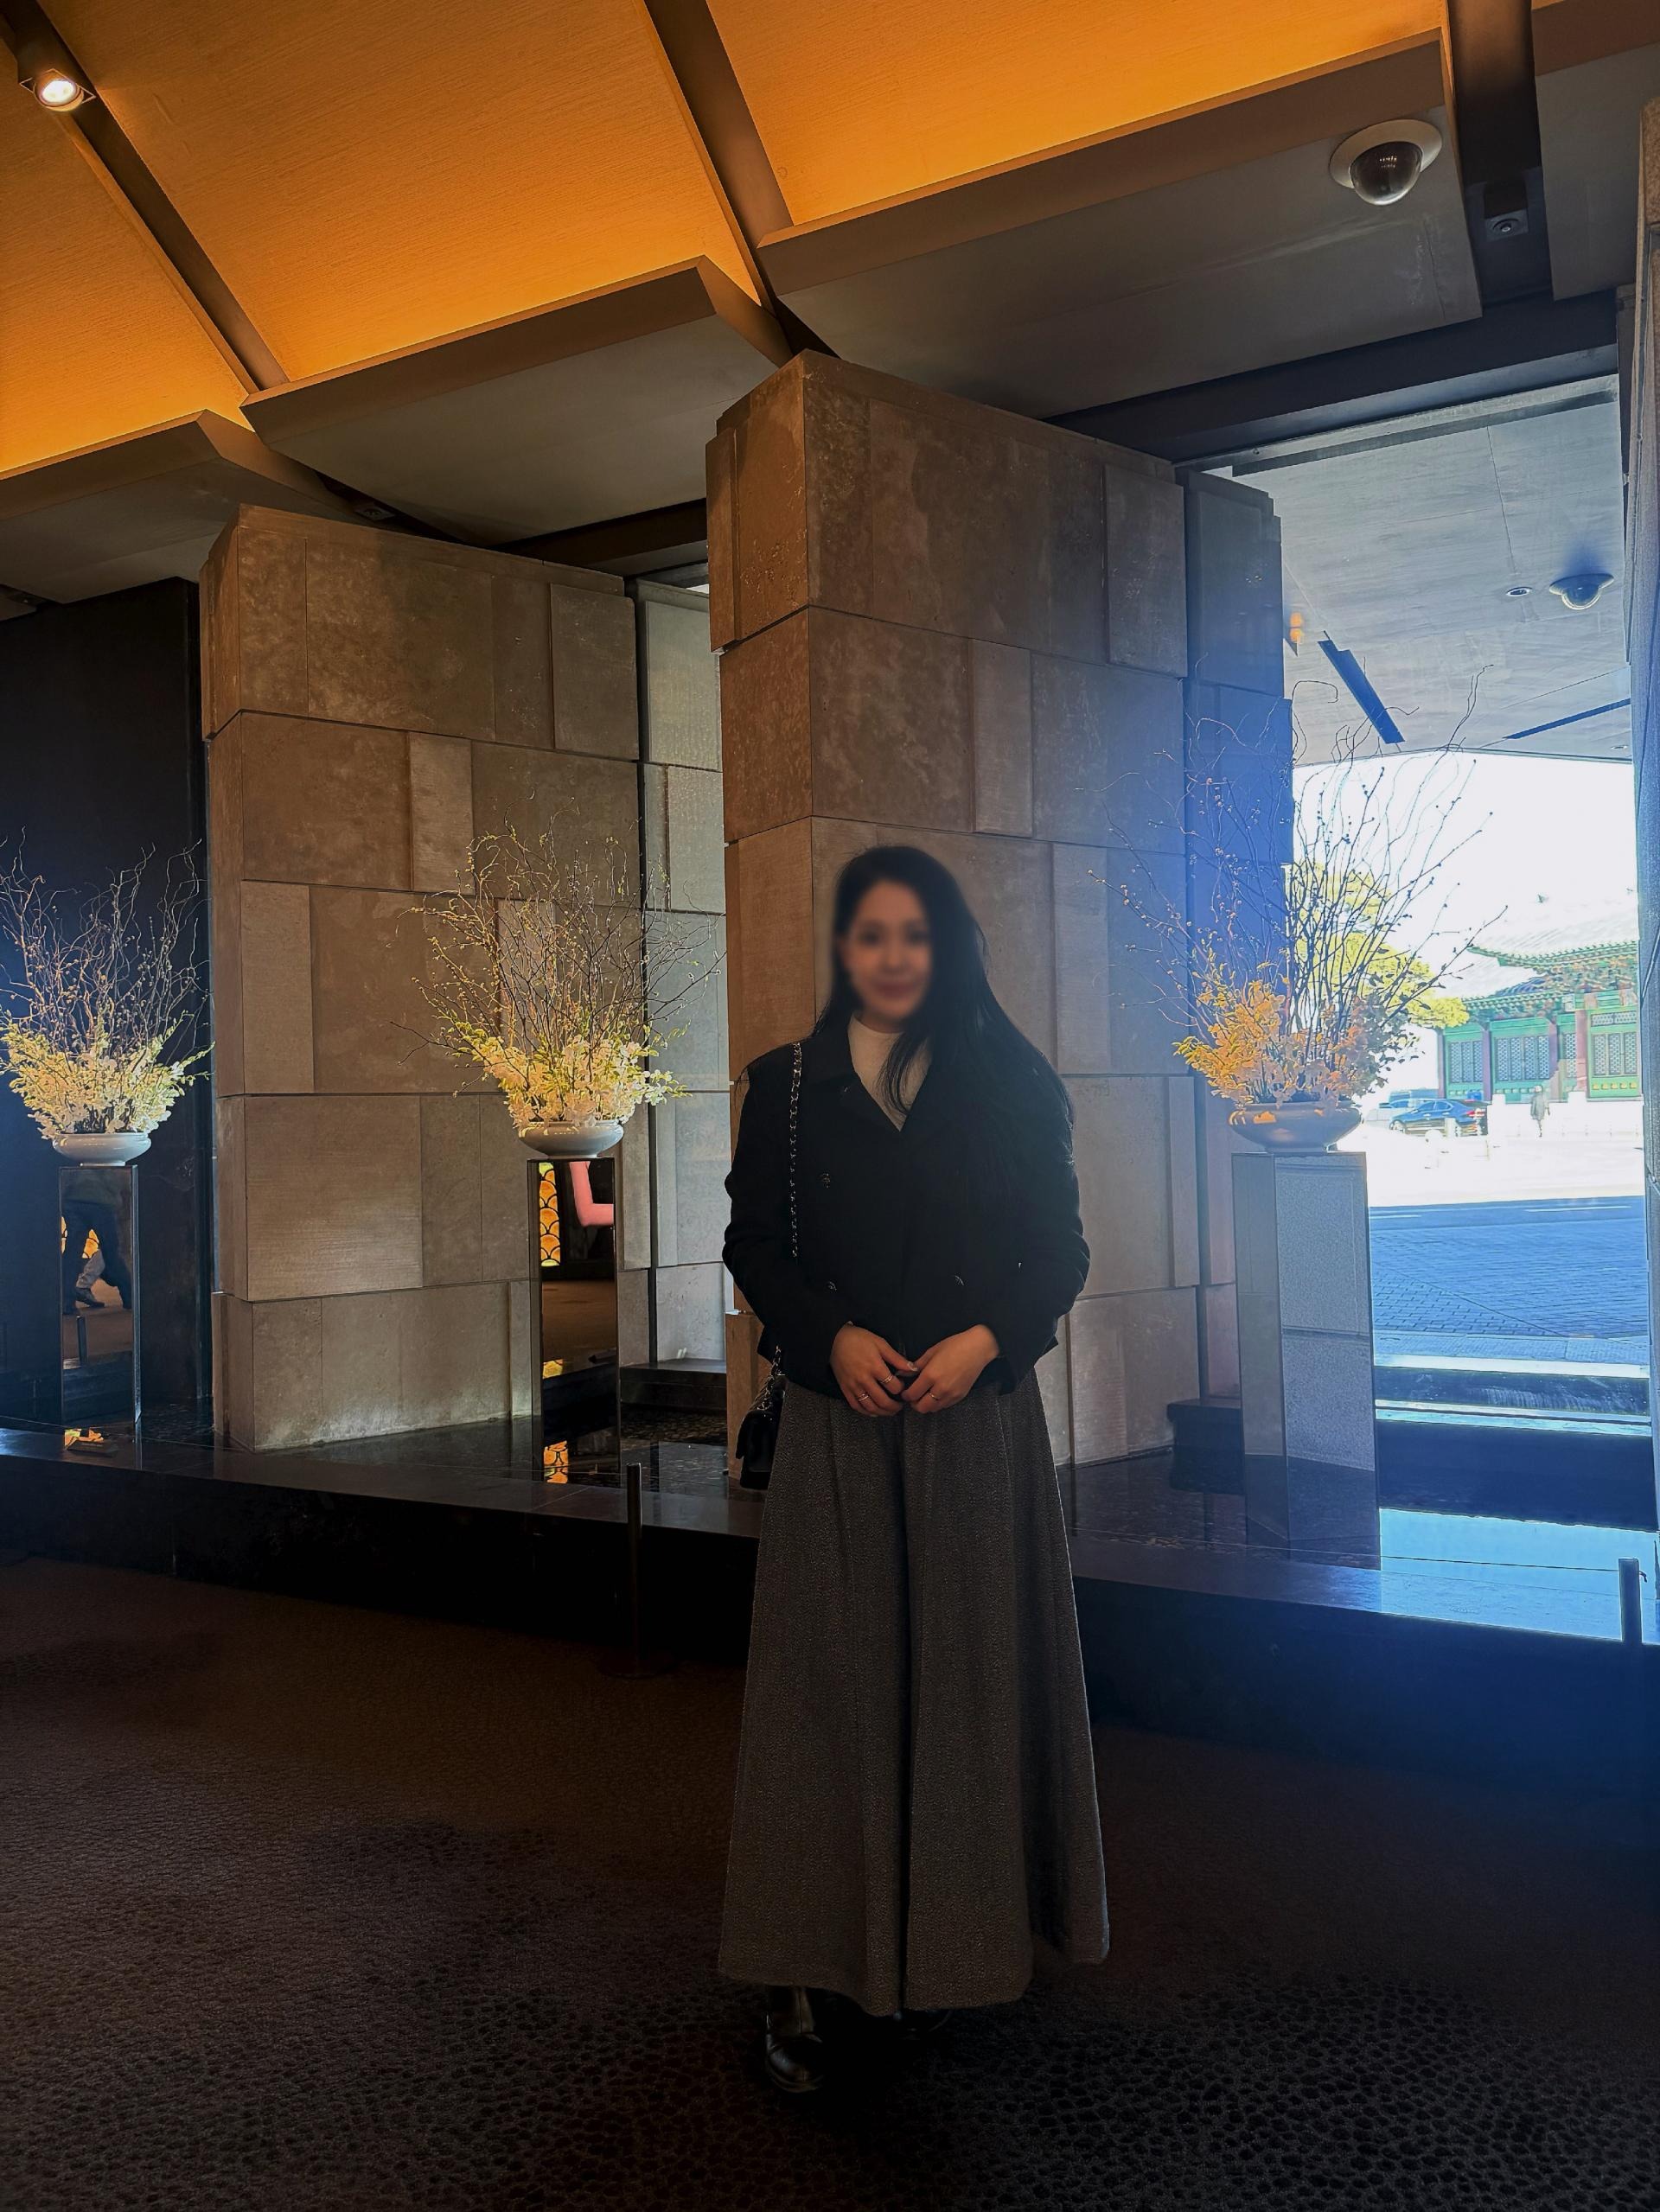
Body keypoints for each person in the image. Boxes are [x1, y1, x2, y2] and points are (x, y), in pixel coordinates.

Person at [717, 844, 1109, 2094]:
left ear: (950, 949)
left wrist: (988, 1339)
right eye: (871, 934)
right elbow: (753, 1245)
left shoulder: (1011, 1078)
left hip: (972, 1428)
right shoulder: (785, 1088)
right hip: (840, 1427)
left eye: (916, 935)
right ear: (844, 948)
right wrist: (828, 1337)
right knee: (822, 1698)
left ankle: (954, 1946)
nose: (893, 957)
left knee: (968, 1687)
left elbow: (1059, 1251)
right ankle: (802, 1969)